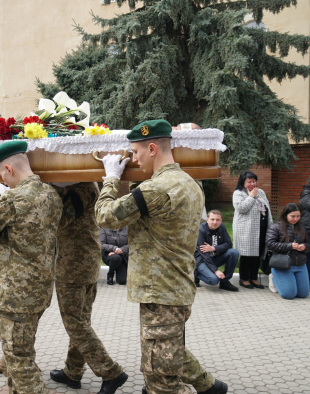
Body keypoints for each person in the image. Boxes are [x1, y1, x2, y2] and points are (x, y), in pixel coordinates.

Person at [95, 120, 227, 394]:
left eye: (135, 152)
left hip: (160, 295)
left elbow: (105, 215)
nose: (133, 159)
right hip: (175, 288)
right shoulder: (191, 184)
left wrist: (110, 178)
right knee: (166, 351)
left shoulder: (155, 189)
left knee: (160, 384)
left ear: (152, 148)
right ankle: (209, 386)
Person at [0, 141, 63, 394]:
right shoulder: (52, 196)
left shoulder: (12, 200)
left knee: (20, 361)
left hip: (14, 297)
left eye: (1, 172)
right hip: (38, 291)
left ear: (9, 169)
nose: (1, 177)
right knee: (21, 350)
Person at [49, 182, 128, 393]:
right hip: (82, 263)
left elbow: (58, 219)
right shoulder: (82, 186)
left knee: (75, 323)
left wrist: (47, 189)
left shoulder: (82, 188)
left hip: (74, 266)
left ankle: (111, 372)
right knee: (81, 321)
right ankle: (72, 372)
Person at [232, 170, 272, 289]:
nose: (252, 184)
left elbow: (267, 207)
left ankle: (254, 278)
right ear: (243, 182)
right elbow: (241, 208)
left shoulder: (260, 192)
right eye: (249, 182)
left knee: (258, 253)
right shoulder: (238, 193)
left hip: (261, 228)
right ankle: (244, 279)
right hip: (246, 230)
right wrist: (250, 197)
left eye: (254, 181)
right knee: (246, 254)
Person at [266, 203, 310, 300]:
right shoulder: (275, 227)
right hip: (283, 264)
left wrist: (304, 247)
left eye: (298, 216)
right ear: (285, 215)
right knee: (289, 295)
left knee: (303, 294)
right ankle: (274, 278)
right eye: (292, 216)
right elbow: (270, 244)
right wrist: (289, 246)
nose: (295, 219)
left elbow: (309, 244)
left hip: (300, 263)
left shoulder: (301, 227)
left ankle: (289, 281)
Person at [194, 210, 239, 291]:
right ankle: (196, 274)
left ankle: (225, 281)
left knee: (234, 253)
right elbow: (204, 254)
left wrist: (213, 248)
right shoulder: (201, 230)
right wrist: (216, 271)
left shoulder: (221, 227)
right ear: (207, 220)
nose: (215, 222)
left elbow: (229, 244)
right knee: (214, 280)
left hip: (215, 257)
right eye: (212, 219)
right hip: (202, 260)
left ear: (221, 221)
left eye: (218, 220)